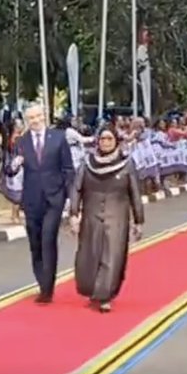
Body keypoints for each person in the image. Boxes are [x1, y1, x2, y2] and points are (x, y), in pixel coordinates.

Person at [69, 126, 144, 312]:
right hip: (91, 216)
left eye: (110, 139)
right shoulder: (87, 164)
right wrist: (73, 214)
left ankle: (104, 296)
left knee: (111, 257)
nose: (106, 142)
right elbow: (76, 189)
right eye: (102, 139)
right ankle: (92, 290)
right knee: (89, 255)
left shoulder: (126, 164)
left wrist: (139, 220)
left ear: (116, 141)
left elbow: (135, 193)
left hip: (117, 217)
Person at [6, 102, 74, 304]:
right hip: (32, 199)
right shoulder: (22, 142)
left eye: (37, 117)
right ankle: (41, 279)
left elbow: (68, 169)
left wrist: (70, 199)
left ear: (44, 116)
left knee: (48, 238)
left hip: (54, 198)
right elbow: (10, 170)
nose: (34, 121)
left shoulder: (59, 139)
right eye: (30, 118)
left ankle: (48, 287)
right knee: (35, 242)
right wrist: (14, 165)